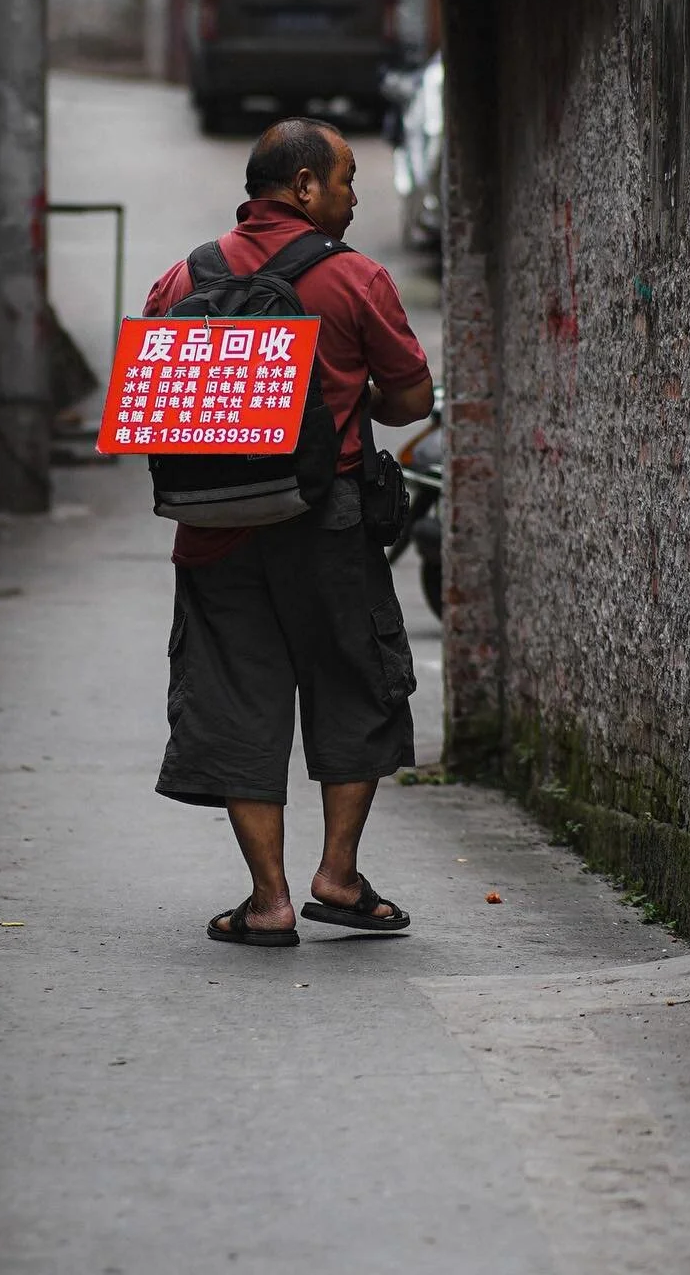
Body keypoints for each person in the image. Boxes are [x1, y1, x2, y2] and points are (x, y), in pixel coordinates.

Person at [143, 118, 434, 947]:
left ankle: (266, 899)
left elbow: (160, 396)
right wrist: (351, 394)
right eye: (345, 180)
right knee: (353, 683)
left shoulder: (180, 279)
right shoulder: (355, 279)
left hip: (213, 527)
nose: (353, 195)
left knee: (237, 697)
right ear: (304, 187)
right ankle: (337, 877)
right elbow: (412, 402)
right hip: (326, 520)